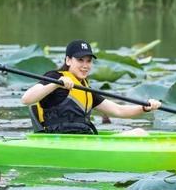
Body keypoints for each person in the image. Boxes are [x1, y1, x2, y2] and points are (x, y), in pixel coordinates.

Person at [21, 39, 161, 135]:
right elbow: (26, 99)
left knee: (139, 132)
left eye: (88, 61)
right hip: (57, 140)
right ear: (68, 60)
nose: (85, 65)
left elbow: (119, 110)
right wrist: (54, 84)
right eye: (80, 60)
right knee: (138, 133)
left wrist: (144, 108)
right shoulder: (55, 76)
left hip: (82, 138)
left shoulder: (85, 88)